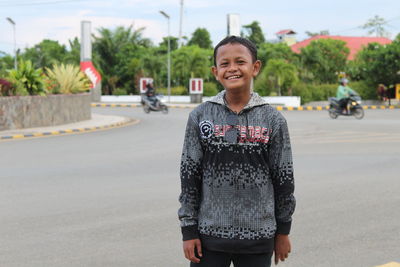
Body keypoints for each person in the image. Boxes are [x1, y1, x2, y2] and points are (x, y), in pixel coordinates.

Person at [178, 36, 296, 267]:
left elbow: (284, 179)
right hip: (208, 237)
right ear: (215, 71)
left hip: (258, 238)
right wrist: (188, 230)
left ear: (255, 67)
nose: (232, 68)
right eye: (225, 64)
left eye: (240, 62)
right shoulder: (201, 116)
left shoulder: (273, 120)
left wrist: (283, 231)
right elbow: (189, 176)